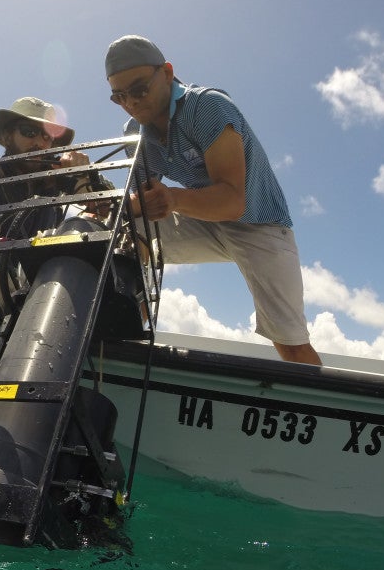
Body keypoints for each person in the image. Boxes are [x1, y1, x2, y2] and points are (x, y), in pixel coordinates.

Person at [104, 36, 322, 366]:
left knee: (291, 346)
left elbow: (233, 201)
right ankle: (126, 333)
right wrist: (103, 202)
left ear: (166, 73)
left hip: (259, 224)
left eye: (138, 90)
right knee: (127, 234)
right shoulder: (135, 130)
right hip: (203, 219)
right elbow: (141, 202)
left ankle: (320, 411)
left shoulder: (206, 106)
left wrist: (172, 199)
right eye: (119, 96)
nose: (131, 103)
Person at [0, 96, 92, 328]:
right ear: (7, 136)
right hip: (3, 273)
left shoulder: (58, 170)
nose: (40, 143)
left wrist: (83, 174)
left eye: (47, 136)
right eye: (29, 132)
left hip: (48, 274)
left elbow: (98, 207)